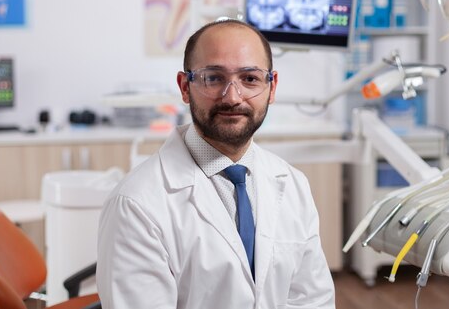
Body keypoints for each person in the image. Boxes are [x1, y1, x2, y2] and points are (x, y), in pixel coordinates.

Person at [97, 19, 335, 308]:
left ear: (271, 88)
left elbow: (312, 299)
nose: (233, 97)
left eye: (250, 79)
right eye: (213, 78)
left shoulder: (293, 184)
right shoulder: (136, 205)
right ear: (185, 87)